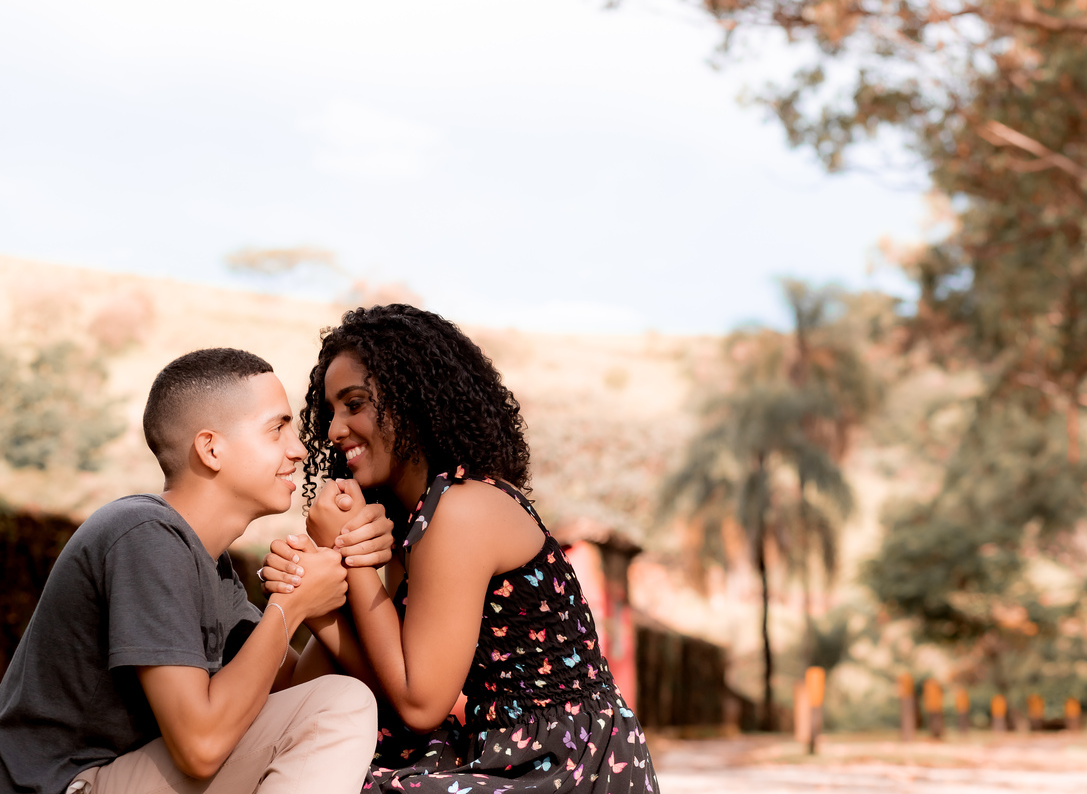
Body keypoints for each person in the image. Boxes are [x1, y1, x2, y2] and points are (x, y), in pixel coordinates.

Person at [260, 304, 660, 793]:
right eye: (331, 411)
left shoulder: (460, 509)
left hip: (568, 760)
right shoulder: (416, 519)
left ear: (412, 400)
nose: (333, 430)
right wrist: (318, 588)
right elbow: (381, 682)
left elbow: (420, 703)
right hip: (509, 747)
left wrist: (345, 552)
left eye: (355, 403)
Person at [0, 348, 393, 794]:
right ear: (211, 448)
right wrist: (290, 607)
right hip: (61, 784)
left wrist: (331, 568)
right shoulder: (144, 536)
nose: (299, 449)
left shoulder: (209, 563)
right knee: (342, 704)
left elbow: (290, 696)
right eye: (277, 428)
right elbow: (201, 746)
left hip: (118, 777)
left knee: (336, 702)